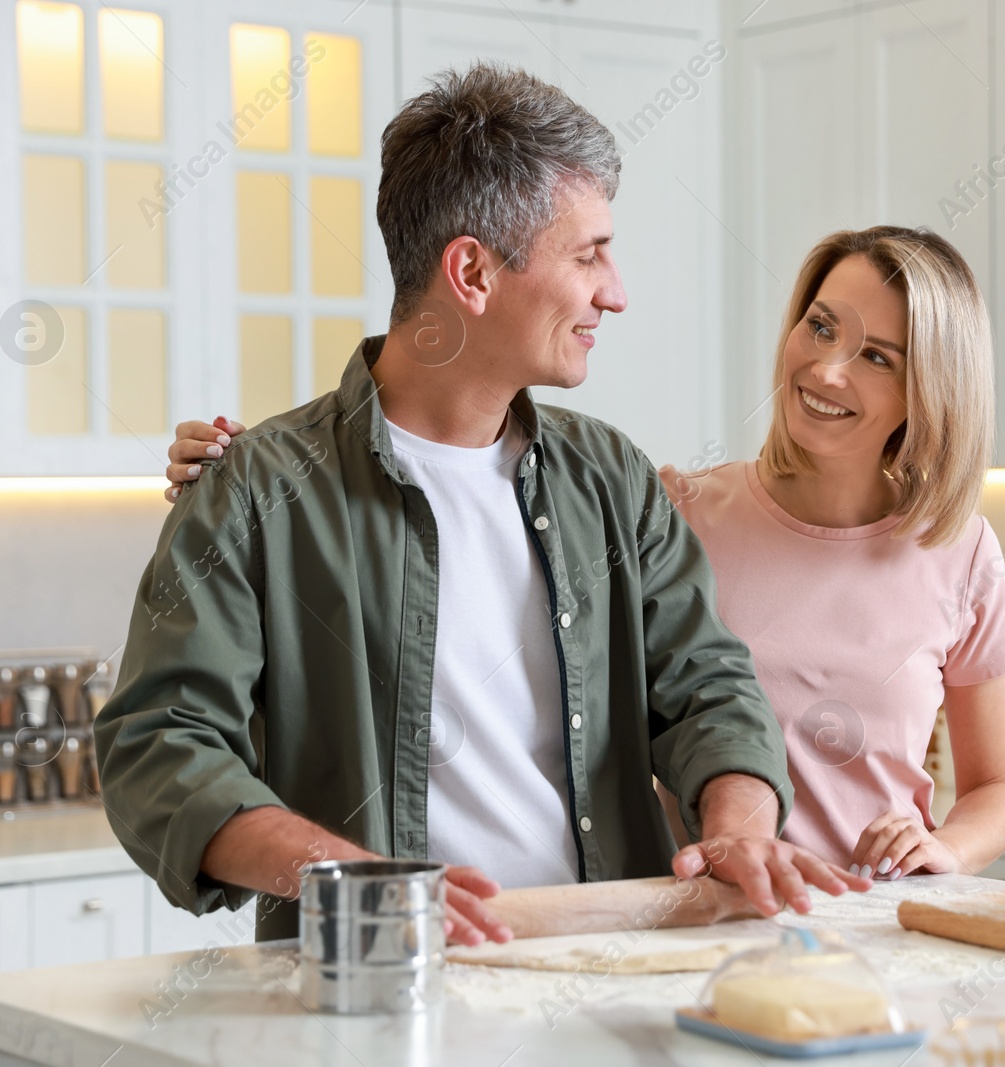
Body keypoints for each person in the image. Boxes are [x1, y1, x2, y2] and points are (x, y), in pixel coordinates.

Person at [98, 62, 868, 948]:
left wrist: (738, 828)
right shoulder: (258, 488)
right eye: (588, 255)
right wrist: (348, 882)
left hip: (615, 969)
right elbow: (159, 745)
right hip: (386, 981)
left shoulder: (611, 478)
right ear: (471, 272)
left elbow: (710, 690)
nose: (615, 291)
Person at [170, 225, 1005, 886]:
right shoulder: (672, 503)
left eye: (877, 357)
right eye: (820, 326)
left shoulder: (958, 550)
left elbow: (995, 786)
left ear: (929, 389)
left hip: (875, 914)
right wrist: (252, 476)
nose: (829, 369)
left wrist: (940, 848)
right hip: (704, 913)